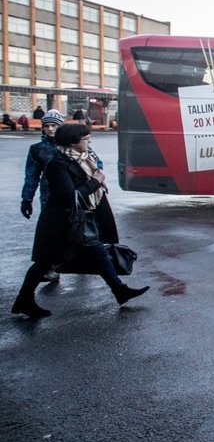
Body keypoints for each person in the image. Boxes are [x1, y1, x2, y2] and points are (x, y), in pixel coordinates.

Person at [10, 124, 149, 318]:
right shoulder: (57, 164)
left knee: (98, 253)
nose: (89, 141)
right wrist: (96, 181)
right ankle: (23, 300)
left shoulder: (85, 158)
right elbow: (71, 196)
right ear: (73, 142)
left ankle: (120, 290)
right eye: (86, 139)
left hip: (81, 219)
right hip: (61, 223)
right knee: (44, 263)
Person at [20, 110, 67, 283]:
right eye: (46, 126)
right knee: (50, 233)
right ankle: (50, 267)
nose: (50, 129)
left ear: (60, 127)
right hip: (49, 196)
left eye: (54, 125)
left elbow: (93, 163)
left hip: (73, 194)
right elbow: (31, 176)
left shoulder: (72, 144)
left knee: (77, 229)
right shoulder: (37, 150)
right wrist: (26, 199)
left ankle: (78, 262)